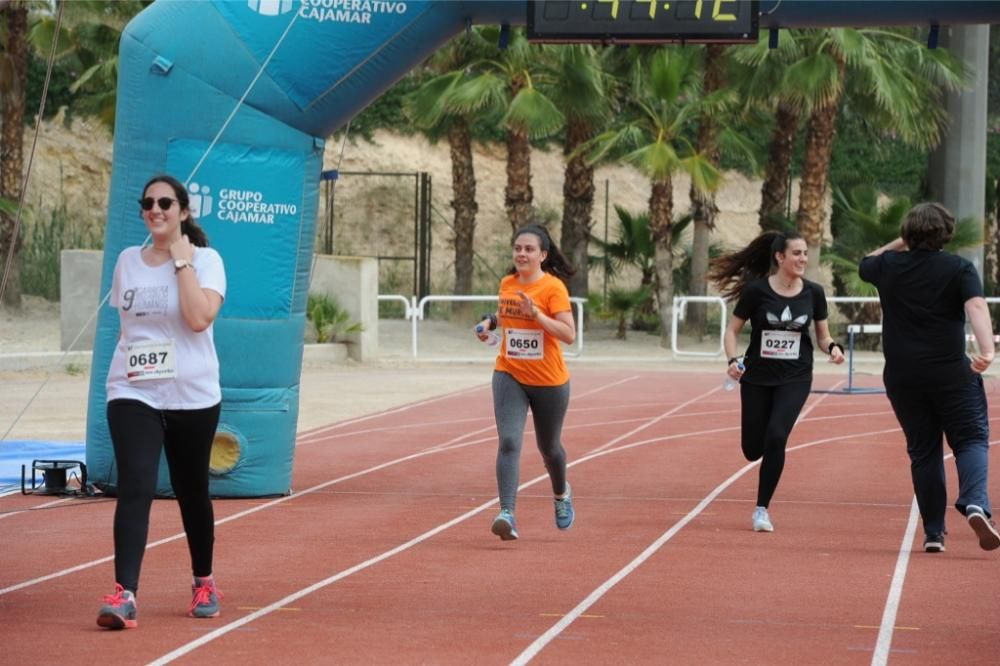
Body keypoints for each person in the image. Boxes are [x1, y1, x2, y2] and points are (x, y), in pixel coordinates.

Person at [97, 174, 227, 629]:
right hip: (133, 391)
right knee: (136, 484)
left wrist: (180, 263)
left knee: (192, 491)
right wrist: (126, 374)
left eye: (165, 203)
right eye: (148, 203)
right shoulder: (127, 261)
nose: (156, 209)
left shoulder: (207, 261)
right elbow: (128, 327)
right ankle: (124, 594)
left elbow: (197, 319)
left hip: (193, 395)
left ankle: (204, 581)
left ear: (183, 211)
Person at [859, 202, 1000, 554]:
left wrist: (900, 242)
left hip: (903, 376)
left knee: (924, 452)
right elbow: (977, 307)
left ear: (907, 235)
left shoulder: (888, 265)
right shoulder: (959, 268)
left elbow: (866, 262)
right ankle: (975, 503)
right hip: (951, 372)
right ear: (946, 234)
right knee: (970, 438)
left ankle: (934, 533)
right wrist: (988, 350)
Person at [709, 231, 845, 532]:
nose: (803, 259)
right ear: (779, 257)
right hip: (757, 377)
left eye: (805, 253)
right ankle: (761, 470)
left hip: (795, 377)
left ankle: (761, 509)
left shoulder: (814, 293)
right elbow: (732, 331)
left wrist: (834, 348)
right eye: (796, 253)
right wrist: (732, 361)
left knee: (776, 434)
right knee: (752, 449)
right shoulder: (757, 292)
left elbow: (823, 336)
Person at [475, 224, 576, 541]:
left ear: (543, 255)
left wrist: (537, 316)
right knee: (508, 441)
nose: (521, 253)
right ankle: (507, 513)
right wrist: (488, 323)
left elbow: (568, 335)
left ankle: (561, 494)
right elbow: (505, 315)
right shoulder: (507, 283)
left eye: (529, 249)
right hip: (509, 374)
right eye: (517, 247)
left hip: (549, 381)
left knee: (550, 449)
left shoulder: (553, 289)